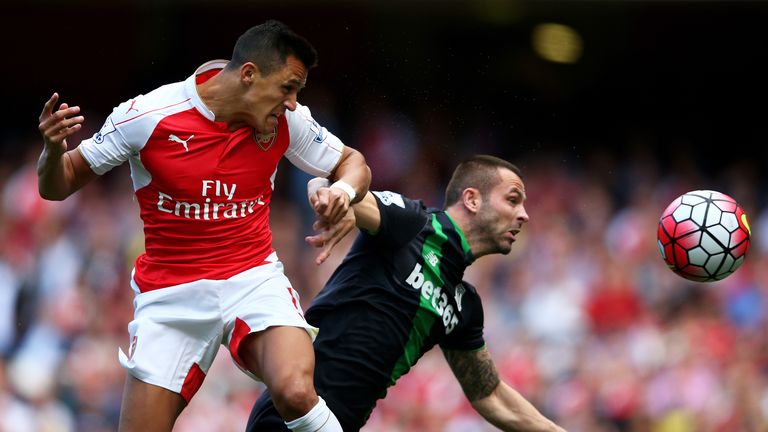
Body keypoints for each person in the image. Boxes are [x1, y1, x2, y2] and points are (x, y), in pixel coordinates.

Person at [36, 20, 370, 432]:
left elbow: (352, 162)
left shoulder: (288, 121)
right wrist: (52, 152)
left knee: (297, 391)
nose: (293, 102)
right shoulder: (148, 115)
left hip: (253, 278)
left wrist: (343, 192)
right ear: (249, 75)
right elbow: (59, 184)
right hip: (171, 296)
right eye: (288, 87)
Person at [248, 155, 565, 431]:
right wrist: (331, 199)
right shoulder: (412, 223)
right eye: (512, 199)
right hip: (291, 414)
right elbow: (352, 199)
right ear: (472, 199)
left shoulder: (464, 305)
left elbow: (490, 394)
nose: (524, 214)